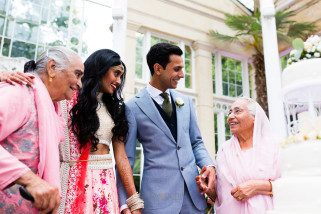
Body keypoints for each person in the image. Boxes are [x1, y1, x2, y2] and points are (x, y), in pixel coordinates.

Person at [117, 43, 216, 214]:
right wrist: (125, 203)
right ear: (158, 68)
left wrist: (209, 165)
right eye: (177, 69)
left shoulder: (186, 103)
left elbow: (196, 143)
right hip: (157, 201)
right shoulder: (132, 107)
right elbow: (126, 159)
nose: (182, 74)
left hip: (194, 200)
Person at [0, 46, 84, 213]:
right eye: (77, 74)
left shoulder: (53, 109)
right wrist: (30, 180)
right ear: (52, 68)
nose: (80, 84)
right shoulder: (19, 92)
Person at [59, 49, 143, 213]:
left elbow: (121, 157)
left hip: (103, 183)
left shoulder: (116, 109)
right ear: (100, 69)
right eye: (116, 73)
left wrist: (134, 202)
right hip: (71, 179)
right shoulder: (70, 100)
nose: (118, 81)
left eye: (121, 76)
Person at [196, 97, 281, 214]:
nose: (230, 116)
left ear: (254, 118)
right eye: (230, 112)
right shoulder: (224, 150)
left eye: (237, 111)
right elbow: (222, 196)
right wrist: (209, 189)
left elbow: (288, 185)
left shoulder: (273, 146)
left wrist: (257, 187)